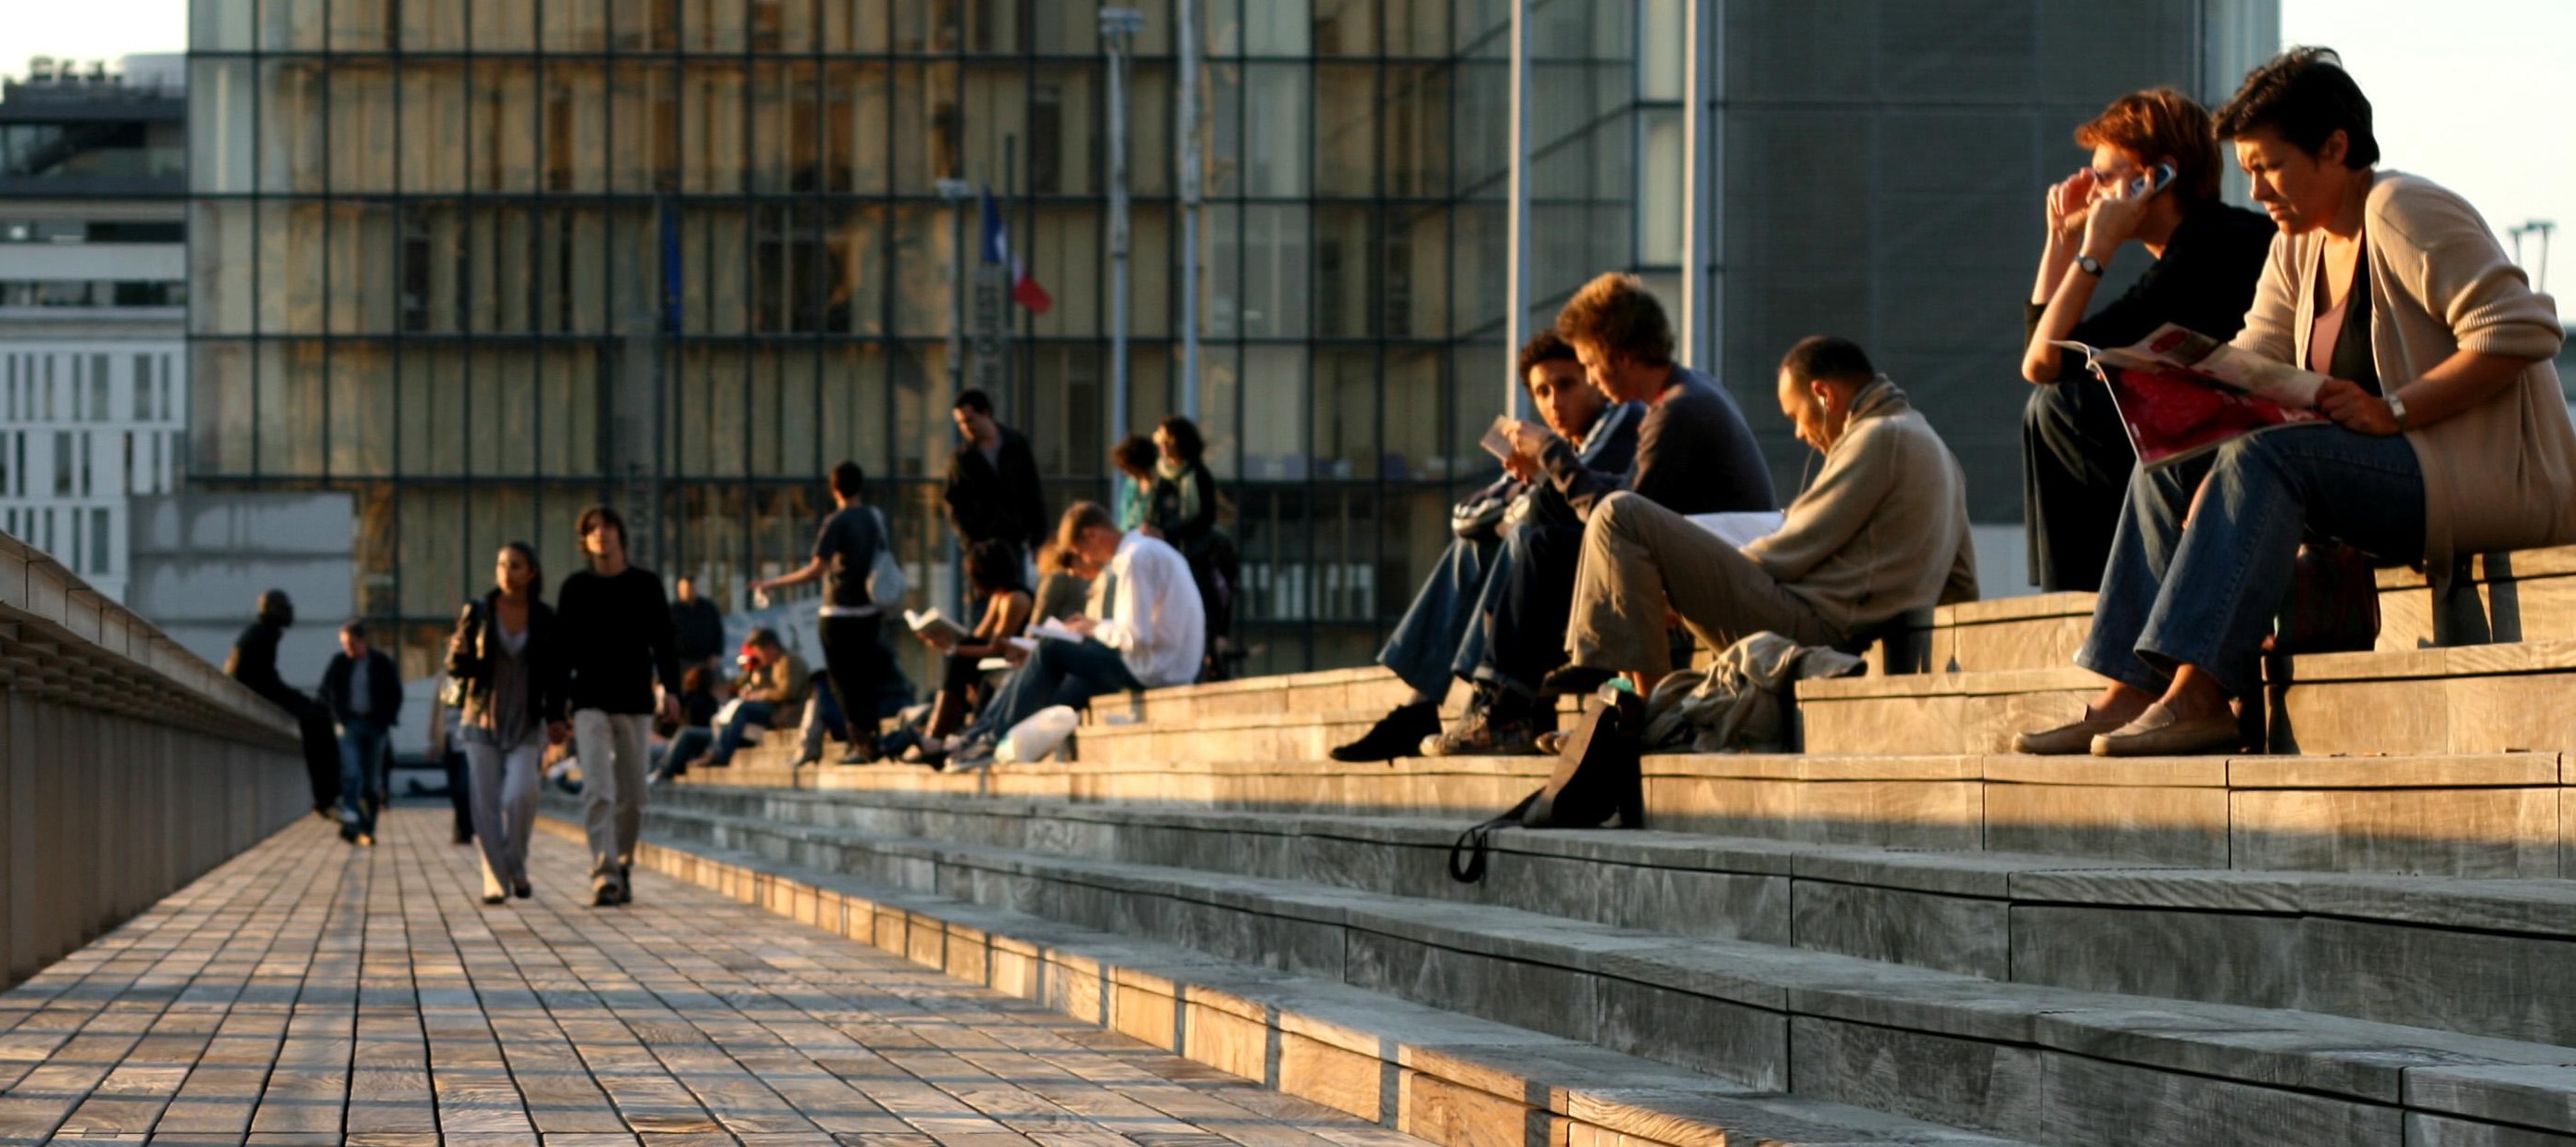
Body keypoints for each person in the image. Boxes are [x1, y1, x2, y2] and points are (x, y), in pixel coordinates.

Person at [2017, 47, 2576, 758]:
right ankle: (2128, 691)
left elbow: (2523, 329)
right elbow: (2251, 364)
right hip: (2388, 474)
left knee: (2263, 460)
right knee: (2165, 462)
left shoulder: (2402, 210)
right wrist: (2167, 387)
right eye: (2246, 170)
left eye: (2269, 166)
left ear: (2335, 148)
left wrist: (2395, 409)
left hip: (2483, 480)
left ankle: (2199, 695)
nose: (2255, 191)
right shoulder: (2296, 244)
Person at [1428, 272, 1778, 755]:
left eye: (1590, 365)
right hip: (1699, 555)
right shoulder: (1687, 393)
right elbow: (1631, 503)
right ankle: (1513, 702)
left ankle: (1510, 707)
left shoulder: (1675, 414)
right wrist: (1551, 470)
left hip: (1715, 578)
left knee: (1542, 545)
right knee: (1548, 507)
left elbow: (1624, 522)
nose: (1591, 379)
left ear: (1620, 356)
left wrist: (1554, 454)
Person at [1555, 336, 1978, 688]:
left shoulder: (1877, 437)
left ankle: (1647, 711)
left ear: (1823, 394)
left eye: (1795, 416)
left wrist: (1683, 581)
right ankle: (1636, 703)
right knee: (1624, 525)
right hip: (1846, 622)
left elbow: (1796, 544)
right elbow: (1962, 582)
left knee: (1619, 513)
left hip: (1815, 627)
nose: (1798, 433)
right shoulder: (1937, 450)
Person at [1332, 330, 1640, 761]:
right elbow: (1464, 517)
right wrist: (1524, 494)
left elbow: (1550, 505)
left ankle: (1494, 702)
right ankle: (1420, 707)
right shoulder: (1555, 447)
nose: (1554, 402)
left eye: (1566, 384)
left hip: (1594, 579)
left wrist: (1528, 489)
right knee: (1470, 550)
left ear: (1592, 378)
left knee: (1520, 535)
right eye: (1542, 392)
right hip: (1556, 577)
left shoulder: (1618, 423)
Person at [2020, 87, 2275, 592]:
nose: (2092, 193)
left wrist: (2095, 250)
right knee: (2049, 406)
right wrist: (2061, 240)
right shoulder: (2192, 246)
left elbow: (2046, 362)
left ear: (2158, 177)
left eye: (2104, 178)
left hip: (2248, 444)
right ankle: (2081, 592)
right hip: (2211, 435)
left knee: (2063, 405)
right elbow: (2044, 354)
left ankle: (2097, 589)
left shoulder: (2210, 248)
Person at [946, 501, 1204, 768]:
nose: (1086, 560)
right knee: (1059, 688)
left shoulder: (1134, 558)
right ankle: (978, 738)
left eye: (1080, 551)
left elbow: (1134, 636)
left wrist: (1092, 628)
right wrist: (1094, 626)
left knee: (1050, 648)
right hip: (1166, 665)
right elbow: (1137, 630)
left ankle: (988, 739)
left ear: (1092, 534)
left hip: (1154, 669)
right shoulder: (1146, 550)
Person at [557, 505, 684, 906]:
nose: (601, 534)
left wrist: (673, 689)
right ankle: (604, 874)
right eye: (592, 529)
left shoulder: (645, 585)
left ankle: (622, 862)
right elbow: (561, 653)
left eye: (608, 527)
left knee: (634, 796)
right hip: (589, 700)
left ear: (620, 535)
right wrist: (555, 706)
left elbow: (664, 641)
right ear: (585, 540)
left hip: (634, 700)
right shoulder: (574, 588)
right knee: (598, 790)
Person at [446, 542, 568, 904]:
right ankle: (495, 880)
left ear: (531, 572)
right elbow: (460, 670)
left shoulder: (546, 617)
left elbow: (557, 674)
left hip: (526, 719)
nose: (506, 572)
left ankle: (515, 863)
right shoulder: (479, 610)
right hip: (481, 715)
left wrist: (557, 716)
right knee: (484, 804)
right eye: (501, 564)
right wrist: (457, 653)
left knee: (521, 795)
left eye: (515, 565)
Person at [748, 460, 890, 763]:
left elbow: (816, 570)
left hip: (839, 613)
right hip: (871, 611)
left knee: (842, 682)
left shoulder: (836, 522)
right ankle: (872, 738)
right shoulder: (876, 517)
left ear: (835, 488)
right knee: (864, 678)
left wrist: (774, 582)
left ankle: (859, 743)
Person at [227, 589, 339, 819]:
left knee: (317, 714)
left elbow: (265, 676)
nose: (291, 613)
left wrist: (297, 697)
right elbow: (259, 679)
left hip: (261, 691)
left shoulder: (263, 632)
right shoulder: (263, 634)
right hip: (258, 695)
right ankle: (326, 797)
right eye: (286, 608)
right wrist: (296, 699)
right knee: (318, 721)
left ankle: (328, 796)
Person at [919, 538, 1037, 740]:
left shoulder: (1016, 599)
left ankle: (936, 734)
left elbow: (996, 647)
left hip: (1011, 659)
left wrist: (952, 649)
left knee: (958, 660)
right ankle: (935, 732)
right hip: (993, 657)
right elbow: (978, 637)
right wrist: (947, 638)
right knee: (961, 654)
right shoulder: (999, 597)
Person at [1145, 416, 1234, 680]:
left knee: (1201, 609)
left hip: (1194, 555)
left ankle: (1208, 661)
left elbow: (1204, 518)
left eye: (1166, 440)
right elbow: (1153, 512)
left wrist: (1169, 531)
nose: (1161, 445)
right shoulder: (1161, 474)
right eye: (1159, 439)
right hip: (1166, 554)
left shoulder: (1198, 475)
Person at [943, 389, 1049, 568]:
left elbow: (1032, 491)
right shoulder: (961, 457)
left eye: (970, 420)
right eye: (961, 423)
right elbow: (954, 504)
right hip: (982, 546)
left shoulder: (1016, 445)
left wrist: (1037, 538)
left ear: (986, 413)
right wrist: (970, 542)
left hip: (1014, 541)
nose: (966, 427)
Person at [319, 621, 402, 847]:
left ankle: (367, 827)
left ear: (363, 641)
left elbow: (395, 693)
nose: (348, 649)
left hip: (375, 726)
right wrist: (339, 717)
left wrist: (385, 719)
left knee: (372, 781)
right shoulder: (339, 663)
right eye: (345, 644)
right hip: (350, 725)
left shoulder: (381, 663)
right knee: (351, 774)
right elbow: (326, 692)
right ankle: (352, 824)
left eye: (352, 644)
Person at [694, 629, 809, 769]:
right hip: (778, 711)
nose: (759, 657)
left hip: (789, 714)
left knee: (741, 708)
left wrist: (760, 695)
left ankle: (719, 754)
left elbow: (788, 691)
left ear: (770, 647)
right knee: (737, 709)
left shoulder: (789, 661)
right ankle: (715, 752)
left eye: (759, 652)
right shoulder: (777, 663)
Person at [423, 670, 473, 846]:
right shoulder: (443, 677)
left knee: (464, 787)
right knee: (454, 788)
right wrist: (430, 741)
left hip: (469, 740)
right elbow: (436, 709)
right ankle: (461, 829)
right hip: (448, 739)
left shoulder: (474, 673)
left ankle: (465, 829)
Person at [655, 666, 719, 781]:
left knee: (684, 734)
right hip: (683, 742)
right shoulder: (693, 699)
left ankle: (661, 774)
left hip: (697, 743)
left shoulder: (696, 700)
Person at [670, 574, 726, 675]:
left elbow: (718, 632)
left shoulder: (708, 608)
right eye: (685, 588)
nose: (688, 591)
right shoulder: (673, 610)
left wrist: (717, 653)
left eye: (691, 588)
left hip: (707, 660)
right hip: (682, 662)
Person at [1111, 435, 1159, 532]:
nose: (1126, 472)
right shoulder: (1130, 484)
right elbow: (1125, 516)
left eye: (1129, 467)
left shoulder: (1159, 486)